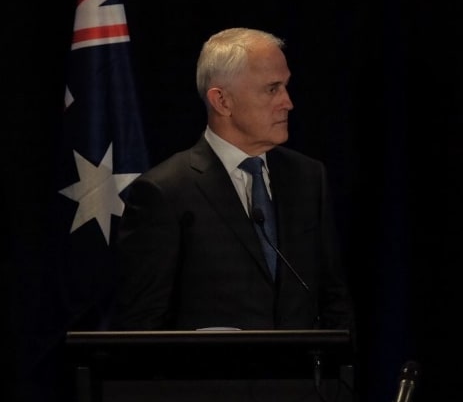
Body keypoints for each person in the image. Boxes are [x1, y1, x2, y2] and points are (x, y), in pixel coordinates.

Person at [113, 27, 355, 334]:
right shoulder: (165, 192)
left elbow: (334, 300)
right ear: (222, 101)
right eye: (272, 89)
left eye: (285, 86)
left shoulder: (308, 177)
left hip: (301, 367)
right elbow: (142, 325)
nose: (288, 102)